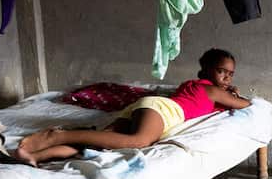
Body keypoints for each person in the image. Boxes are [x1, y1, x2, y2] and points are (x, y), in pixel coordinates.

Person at [14, 48, 251, 166]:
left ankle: (35, 155)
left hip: (148, 106)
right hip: (163, 111)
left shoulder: (193, 84)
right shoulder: (213, 90)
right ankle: (58, 135)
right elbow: (245, 104)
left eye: (231, 74)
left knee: (101, 143)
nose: (227, 78)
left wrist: (227, 89)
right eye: (222, 71)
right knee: (140, 141)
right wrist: (234, 92)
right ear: (208, 69)